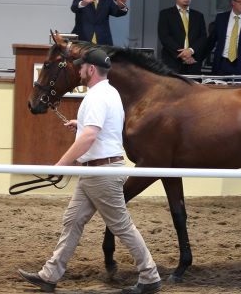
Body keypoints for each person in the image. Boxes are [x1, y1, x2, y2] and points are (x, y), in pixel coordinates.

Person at [18, 48, 162, 294]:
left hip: (100, 172)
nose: (79, 70)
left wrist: (61, 164)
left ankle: (150, 276)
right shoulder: (110, 92)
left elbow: (89, 137)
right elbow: (103, 128)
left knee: (121, 225)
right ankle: (49, 276)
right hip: (96, 171)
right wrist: (81, 124)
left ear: (91, 69)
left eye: (82, 66)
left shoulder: (96, 97)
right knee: (73, 220)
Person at [157, 0, 207, 75]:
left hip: (193, 61)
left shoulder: (198, 16)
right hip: (172, 61)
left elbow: (203, 37)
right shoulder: (165, 14)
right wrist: (184, 55)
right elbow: (164, 37)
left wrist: (190, 51)